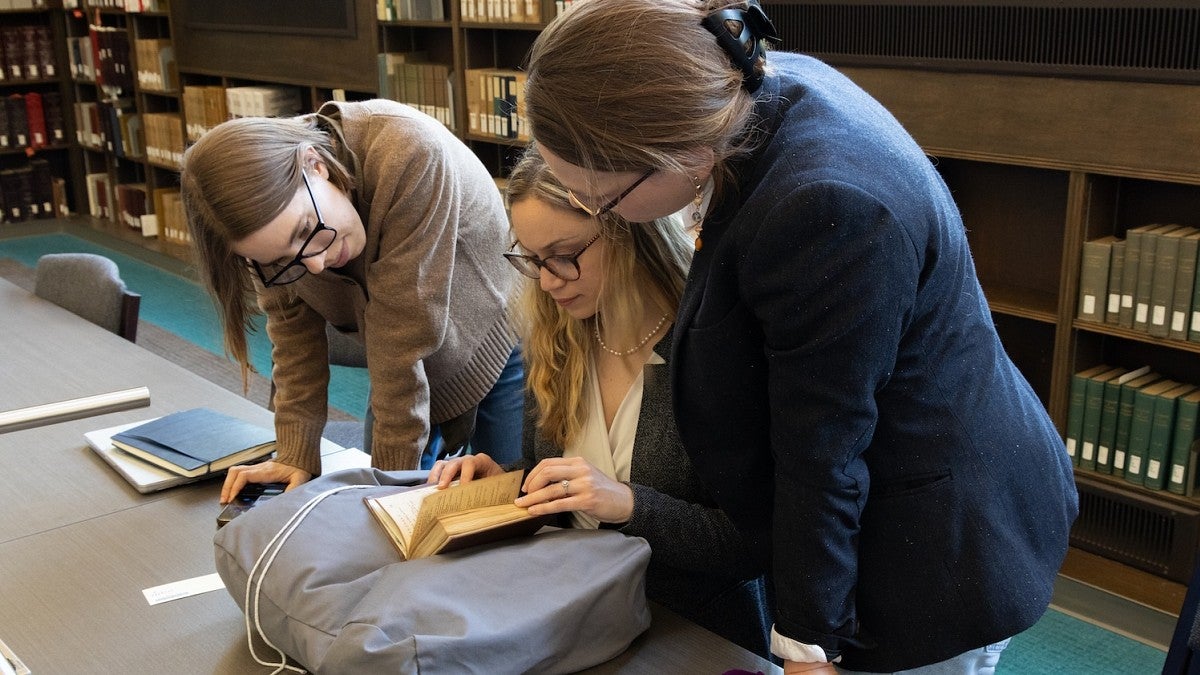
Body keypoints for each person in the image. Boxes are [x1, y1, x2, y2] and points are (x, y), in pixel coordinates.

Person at [519, 1, 1080, 673]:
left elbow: (823, 453)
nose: (597, 214)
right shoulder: (756, 91)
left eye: (598, 202)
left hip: (936, 537)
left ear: (672, 151)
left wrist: (808, 642)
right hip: (902, 482)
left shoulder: (822, 206)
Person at [428, 148, 773, 656]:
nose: (547, 281)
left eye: (565, 255)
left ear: (630, 229)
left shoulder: (714, 354)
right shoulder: (555, 340)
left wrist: (631, 505)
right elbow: (560, 480)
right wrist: (503, 482)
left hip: (689, 630)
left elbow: (755, 545)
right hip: (573, 610)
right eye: (533, 260)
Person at [180, 99, 525, 504]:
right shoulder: (258, 225)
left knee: (508, 504)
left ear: (315, 164)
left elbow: (401, 335)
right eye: (282, 260)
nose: (315, 263)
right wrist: (295, 454)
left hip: (489, 339)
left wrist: (390, 492)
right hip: (393, 358)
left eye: (307, 230)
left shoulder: (408, 152)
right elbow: (294, 340)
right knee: (388, 497)